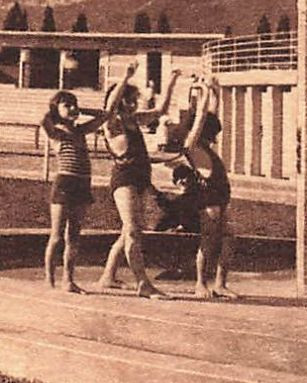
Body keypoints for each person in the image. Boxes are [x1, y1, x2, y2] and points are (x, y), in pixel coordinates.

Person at [96, 61, 181, 298]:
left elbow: (160, 110)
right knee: (133, 231)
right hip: (125, 180)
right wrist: (125, 77)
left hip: (141, 178)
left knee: (128, 231)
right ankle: (143, 284)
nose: (133, 104)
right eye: (129, 99)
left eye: (135, 99)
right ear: (121, 99)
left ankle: (107, 277)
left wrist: (172, 81)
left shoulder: (134, 120)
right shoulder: (112, 123)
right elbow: (111, 106)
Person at [40, 90, 109, 293]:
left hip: (83, 184)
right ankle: (49, 278)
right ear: (56, 109)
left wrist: (81, 110)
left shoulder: (80, 131)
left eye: (74, 104)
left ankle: (68, 280)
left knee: (74, 236)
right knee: (57, 235)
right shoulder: (56, 133)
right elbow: (42, 120)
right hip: (64, 183)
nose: (72, 108)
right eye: (67, 105)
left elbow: (105, 115)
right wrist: (55, 112)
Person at [175, 76, 235, 299]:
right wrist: (204, 92)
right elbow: (200, 117)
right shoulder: (191, 145)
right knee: (209, 240)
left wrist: (215, 92)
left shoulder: (205, 146)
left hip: (220, 191)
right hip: (208, 194)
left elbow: (209, 115)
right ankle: (200, 283)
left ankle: (220, 283)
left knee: (228, 239)